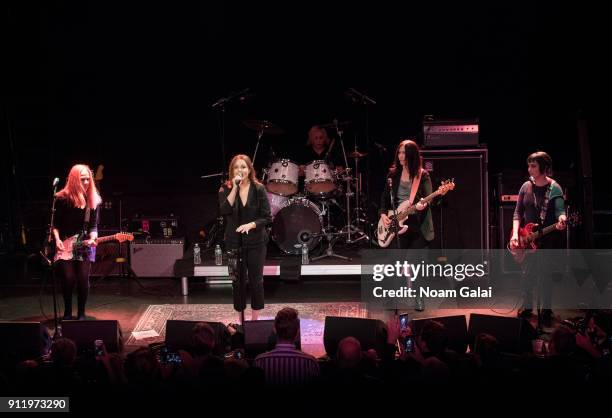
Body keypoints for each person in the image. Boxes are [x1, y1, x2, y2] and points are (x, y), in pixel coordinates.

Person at [509, 151, 567, 324]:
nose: (529, 169)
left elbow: (560, 211)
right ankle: (527, 308)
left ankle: (546, 311)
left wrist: (562, 219)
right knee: (527, 275)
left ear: (544, 167)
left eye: (533, 165)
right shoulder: (525, 187)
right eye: (529, 165)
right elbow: (517, 213)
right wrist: (514, 234)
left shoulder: (554, 187)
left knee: (546, 276)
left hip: (548, 239)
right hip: (527, 237)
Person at [218, 154, 272, 323]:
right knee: (237, 282)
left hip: (256, 242)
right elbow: (225, 210)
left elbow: (267, 217)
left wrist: (251, 225)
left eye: (243, 167)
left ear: (249, 170)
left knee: (256, 281)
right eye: (236, 167)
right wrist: (234, 188)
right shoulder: (225, 189)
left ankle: (255, 320)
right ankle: (241, 321)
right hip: (234, 242)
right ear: (231, 170)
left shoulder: (258, 189)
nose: (240, 170)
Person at [53, 164, 101, 320]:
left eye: (88, 179)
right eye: (82, 179)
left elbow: (93, 225)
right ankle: (67, 312)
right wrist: (57, 240)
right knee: (68, 278)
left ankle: (81, 314)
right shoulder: (62, 199)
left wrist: (93, 238)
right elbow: (55, 225)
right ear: (74, 179)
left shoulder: (93, 199)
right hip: (66, 243)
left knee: (82, 279)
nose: (86, 182)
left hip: (84, 243)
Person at [379, 139, 434, 249]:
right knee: (396, 262)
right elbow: (385, 197)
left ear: (412, 155)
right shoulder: (393, 174)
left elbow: (429, 197)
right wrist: (383, 214)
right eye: (399, 152)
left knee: (413, 262)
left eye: (404, 153)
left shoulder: (422, 175)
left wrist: (423, 205)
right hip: (396, 221)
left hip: (417, 223)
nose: (400, 156)